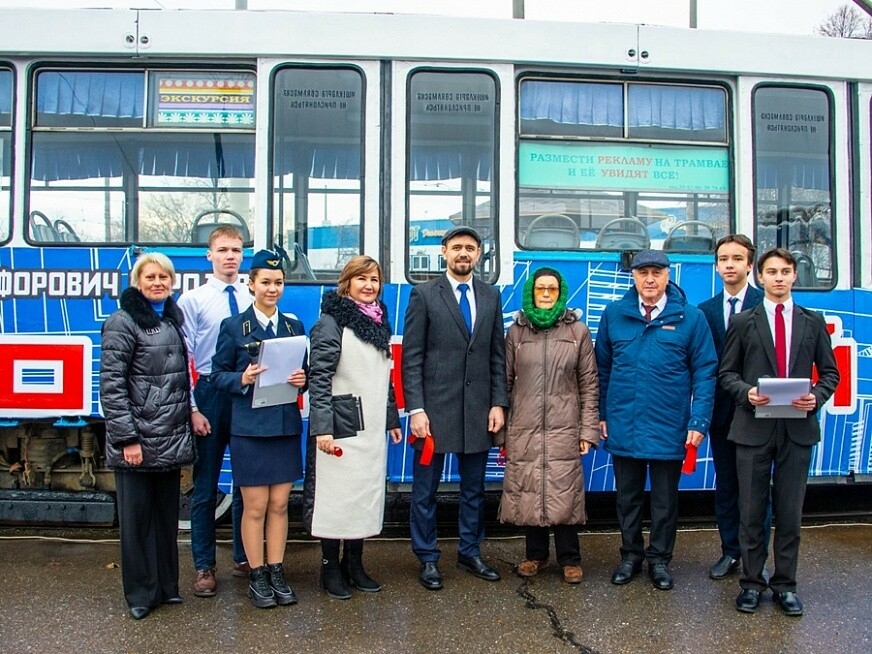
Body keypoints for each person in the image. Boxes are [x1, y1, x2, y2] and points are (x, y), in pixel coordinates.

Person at [720, 247, 839, 616]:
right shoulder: (743, 322)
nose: (779, 278)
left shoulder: (812, 321)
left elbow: (831, 373)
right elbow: (726, 375)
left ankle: (785, 585)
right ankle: (752, 584)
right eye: (771, 271)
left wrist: (816, 397)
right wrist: (747, 393)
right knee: (752, 511)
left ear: (793, 276)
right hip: (753, 428)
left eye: (785, 271)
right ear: (760, 276)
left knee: (790, 512)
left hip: (797, 430)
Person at [595, 249, 717, 591]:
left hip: (671, 424)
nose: (650, 279)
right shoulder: (615, 314)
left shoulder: (691, 318)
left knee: (665, 500)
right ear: (633, 277)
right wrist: (602, 414)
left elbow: (705, 372)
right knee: (628, 497)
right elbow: (602, 369)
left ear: (667, 276)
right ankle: (630, 556)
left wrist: (698, 421)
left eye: (657, 273)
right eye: (643, 272)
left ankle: (660, 560)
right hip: (624, 421)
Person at [402, 226, 508, 590]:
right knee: (425, 491)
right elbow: (411, 358)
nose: (464, 253)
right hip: (433, 413)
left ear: (479, 255)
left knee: (474, 490)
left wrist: (498, 403)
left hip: (478, 412)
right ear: (444, 252)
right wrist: (415, 408)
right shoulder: (424, 294)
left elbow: (497, 355)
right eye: (457, 247)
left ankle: (470, 551)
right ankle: (428, 558)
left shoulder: (491, 296)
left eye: (471, 248)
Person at [100, 253, 196, 620]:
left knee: (164, 518)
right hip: (138, 441)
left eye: (164, 277)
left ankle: (166, 588)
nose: (158, 282)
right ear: (137, 282)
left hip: (168, 438)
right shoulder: (122, 323)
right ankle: (140, 594)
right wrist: (127, 440)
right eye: (150, 277)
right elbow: (112, 386)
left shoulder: (171, 320)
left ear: (172, 283)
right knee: (137, 522)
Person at [210, 249, 307, 609]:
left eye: (278, 282)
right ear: (251, 285)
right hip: (249, 428)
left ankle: (276, 570)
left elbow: (304, 374)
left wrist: (303, 378)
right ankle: (256, 574)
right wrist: (243, 377)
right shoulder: (233, 327)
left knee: (280, 504)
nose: (272, 288)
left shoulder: (294, 326)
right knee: (255, 505)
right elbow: (216, 375)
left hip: (283, 424)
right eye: (265, 282)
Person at [304, 255, 403, 599]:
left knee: (362, 496)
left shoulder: (379, 321)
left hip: (372, 427)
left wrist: (391, 418)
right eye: (362, 279)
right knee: (335, 498)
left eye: (374, 279)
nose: (369, 285)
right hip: (340, 424)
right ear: (347, 283)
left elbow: (384, 375)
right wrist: (322, 428)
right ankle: (331, 567)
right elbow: (319, 378)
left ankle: (355, 564)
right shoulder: (330, 322)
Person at [498, 267, 599, 584]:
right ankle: (536, 556)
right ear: (531, 292)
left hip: (564, 425)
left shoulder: (577, 332)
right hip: (524, 426)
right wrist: (503, 432)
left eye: (551, 289)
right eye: (540, 288)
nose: (545, 294)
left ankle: (570, 559)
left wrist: (587, 430)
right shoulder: (516, 333)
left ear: (560, 293)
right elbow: (504, 382)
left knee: (563, 490)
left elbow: (589, 384)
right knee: (531, 488)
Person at [177, 225, 250, 598]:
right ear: (210, 255)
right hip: (208, 393)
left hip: (243, 392)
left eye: (236, 250)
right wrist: (192, 408)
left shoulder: (251, 294)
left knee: (245, 482)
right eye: (223, 250)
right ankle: (204, 566)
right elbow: (182, 359)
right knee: (205, 487)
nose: (230, 256)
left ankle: (242, 555)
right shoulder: (193, 301)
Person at [698, 234, 769, 581]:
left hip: (759, 412)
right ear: (717, 265)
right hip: (721, 414)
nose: (729, 265)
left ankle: (758, 556)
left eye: (737, 259)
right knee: (727, 485)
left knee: (757, 489)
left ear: (749, 265)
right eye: (724, 259)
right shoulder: (706, 310)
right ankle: (730, 552)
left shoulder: (765, 304)